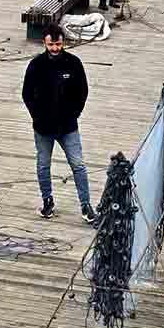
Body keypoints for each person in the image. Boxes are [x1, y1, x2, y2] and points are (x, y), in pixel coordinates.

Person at [22, 23, 96, 224]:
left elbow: (83, 91)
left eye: (58, 44)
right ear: (44, 43)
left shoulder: (74, 63)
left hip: (68, 127)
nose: (55, 48)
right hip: (43, 128)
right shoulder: (36, 65)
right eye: (51, 44)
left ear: (63, 43)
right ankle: (47, 201)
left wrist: (74, 114)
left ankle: (86, 205)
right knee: (43, 165)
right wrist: (36, 116)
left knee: (78, 165)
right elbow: (27, 94)